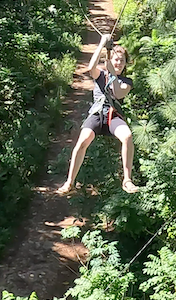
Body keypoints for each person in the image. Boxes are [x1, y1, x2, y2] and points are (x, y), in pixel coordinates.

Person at [57, 34, 140, 194]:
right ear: (110, 60)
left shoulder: (126, 82)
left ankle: (127, 179)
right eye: (116, 59)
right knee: (82, 142)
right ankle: (69, 182)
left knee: (127, 136)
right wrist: (102, 44)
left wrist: (113, 75)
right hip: (96, 115)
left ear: (125, 64)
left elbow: (118, 93)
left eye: (121, 61)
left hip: (112, 116)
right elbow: (90, 68)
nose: (118, 63)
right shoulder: (100, 75)